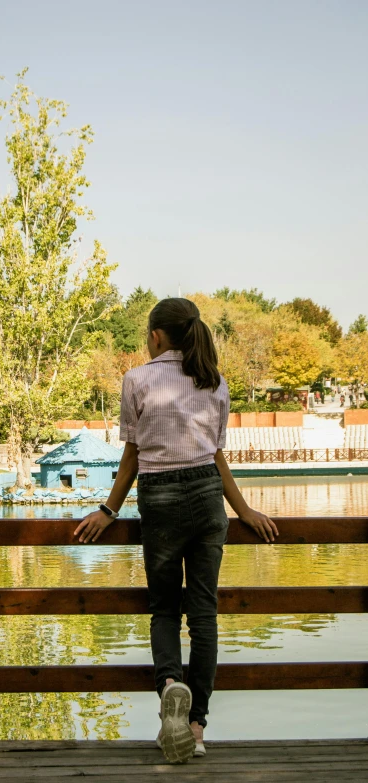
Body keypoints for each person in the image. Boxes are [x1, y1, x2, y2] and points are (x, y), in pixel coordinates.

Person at [74, 298, 276, 765]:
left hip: (160, 498)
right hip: (208, 499)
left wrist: (108, 509)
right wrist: (242, 509)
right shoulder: (214, 381)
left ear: (156, 336)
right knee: (203, 614)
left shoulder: (137, 379)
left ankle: (170, 685)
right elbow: (215, 457)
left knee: (164, 608)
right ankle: (197, 726)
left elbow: (131, 457)